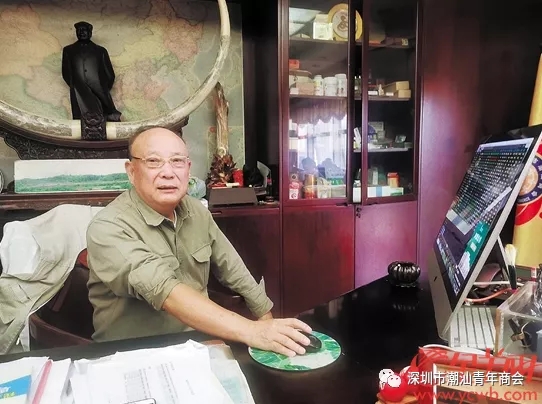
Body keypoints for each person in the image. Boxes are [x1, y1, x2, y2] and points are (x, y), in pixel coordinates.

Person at [86, 127, 312, 356]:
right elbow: (165, 290)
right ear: (131, 171)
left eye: (177, 161)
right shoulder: (108, 226)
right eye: (153, 161)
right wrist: (252, 331)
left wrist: (265, 318)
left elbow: (231, 266)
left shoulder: (196, 211)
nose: (168, 173)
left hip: (198, 345)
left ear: (188, 168)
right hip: (132, 354)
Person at [62, 21, 121, 122]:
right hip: (78, 90)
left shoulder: (100, 51)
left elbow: (110, 74)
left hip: (99, 89)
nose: (81, 32)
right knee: (80, 119)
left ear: (90, 32)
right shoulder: (68, 50)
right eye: (79, 30)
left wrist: (103, 87)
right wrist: (75, 85)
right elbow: (66, 72)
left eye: (84, 30)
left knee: (107, 115)